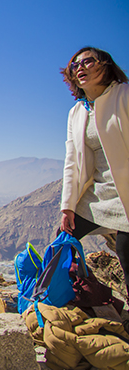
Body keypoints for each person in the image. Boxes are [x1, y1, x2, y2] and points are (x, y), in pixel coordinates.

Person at [60, 47, 129, 300]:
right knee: (64, 241)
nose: (80, 68)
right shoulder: (77, 113)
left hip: (126, 192)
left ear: (105, 65)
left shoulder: (124, 95)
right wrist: (67, 206)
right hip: (99, 193)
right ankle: (71, 297)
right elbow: (72, 162)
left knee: (126, 251)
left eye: (87, 62)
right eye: (75, 65)